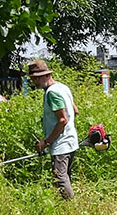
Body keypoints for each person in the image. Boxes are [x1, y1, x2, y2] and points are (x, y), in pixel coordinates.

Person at [28, 59, 79, 199]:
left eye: (37, 78)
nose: (35, 82)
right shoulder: (63, 87)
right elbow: (75, 110)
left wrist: (46, 142)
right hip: (71, 140)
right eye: (33, 79)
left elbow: (63, 120)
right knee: (65, 176)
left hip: (61, 145)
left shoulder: (52, 93)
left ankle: (71, 209)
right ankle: (65, 206)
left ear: (46, 76)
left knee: (60, 178)